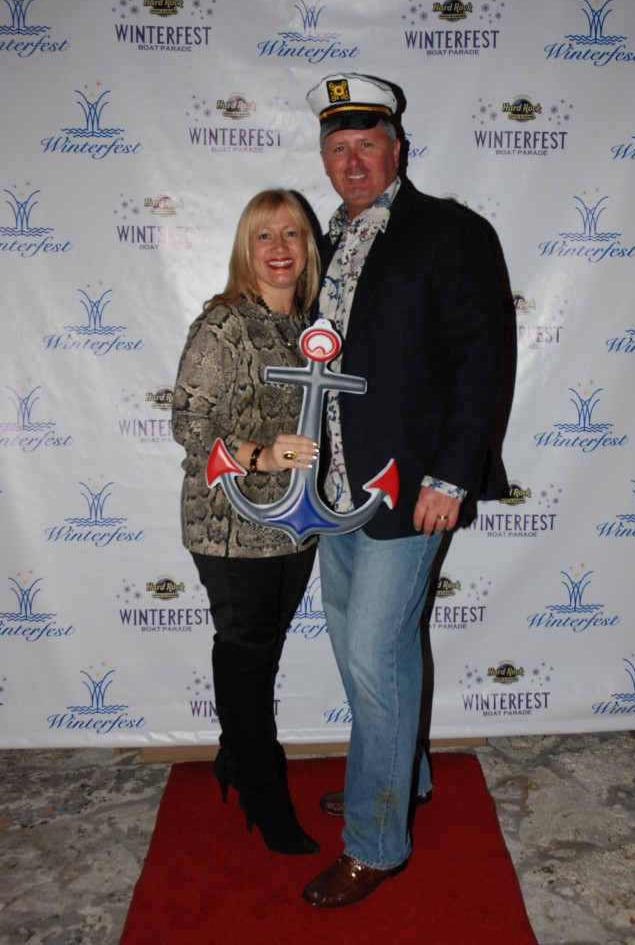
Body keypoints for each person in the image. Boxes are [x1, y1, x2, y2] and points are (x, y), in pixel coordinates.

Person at [301, 73, 505, 905]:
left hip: (408, 485)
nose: (352, 161)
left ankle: (376, 841)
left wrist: (450, 474)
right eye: (338, 147)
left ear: (398, 149)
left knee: (374, 655)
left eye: (367, 145)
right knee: (359, 648)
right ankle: (397, 774)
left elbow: (482, 359)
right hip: (333, 485)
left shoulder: (450, 232)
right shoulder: (325, 238)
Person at [171, 189, 322, 855]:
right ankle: (265, 798)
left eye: (292, 234)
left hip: (295, 521)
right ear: (245, 249)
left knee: (262, 653)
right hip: (232, 523)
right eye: (265, 236)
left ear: (307, 247)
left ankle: (236, 756)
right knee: (246, 655)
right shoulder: (223, 325)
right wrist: (260, 454)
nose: (280, 248)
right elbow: (188, 424)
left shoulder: (310, 328)